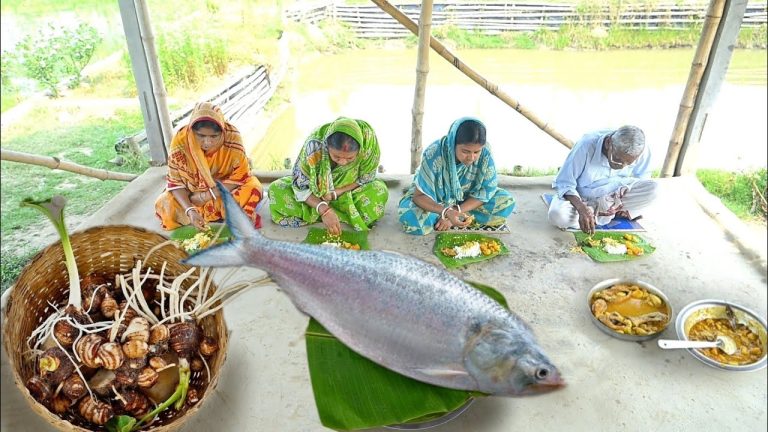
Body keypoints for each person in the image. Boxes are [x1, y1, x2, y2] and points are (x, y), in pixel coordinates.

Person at [268, 116, 389, 235]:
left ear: (359, 151)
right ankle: (342, 216)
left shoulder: (368, 140)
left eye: (350, 158)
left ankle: (327, 215)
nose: (342, 162)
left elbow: (365, 178)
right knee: (276, 190)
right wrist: (323, 209)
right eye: (336, 157)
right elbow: (301, 186)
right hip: (316, 194)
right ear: (327, 147)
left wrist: (337, 192)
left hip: (350, 193)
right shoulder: (315, 145)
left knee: (378, 192)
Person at [155, 102, 263, 231]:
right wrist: (190, 210)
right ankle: (204, 214)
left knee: (252, 188)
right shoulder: (181, 140)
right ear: (192, 131)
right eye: (201, 136)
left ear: (222, 132)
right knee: (165, 202)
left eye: (214, 136)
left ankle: (210, 213)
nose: (207, 142)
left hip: (222, 191)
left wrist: (206, 196)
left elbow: (240, 176)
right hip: (192, 194)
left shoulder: (232, 136)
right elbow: (175, 182)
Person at [398, 117, 515, 235]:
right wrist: (445, 211)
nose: (471, 158)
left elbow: (486, 192)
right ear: (452, 143)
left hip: (466, 199)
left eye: (476, 152)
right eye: (465, 151)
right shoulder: (434, 153)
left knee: (506, 202)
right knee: (412, 218)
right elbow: (419, 197)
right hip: (435, 200)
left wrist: (455, 212)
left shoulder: (485, 153)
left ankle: (458, 217)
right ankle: (452, 216)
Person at [548, 125, 658, 234]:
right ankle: (596, 214)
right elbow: (564, 183)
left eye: (628, 163)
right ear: (608, 143)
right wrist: (581, 209)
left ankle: (610, 211)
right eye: (618, 159)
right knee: (558, 215)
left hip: (616, 195)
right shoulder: (585, 145)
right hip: (585, 198)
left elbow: (643, 179)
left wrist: (632, 203)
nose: (622, 166)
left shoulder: (641, 150)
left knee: (654, 189)